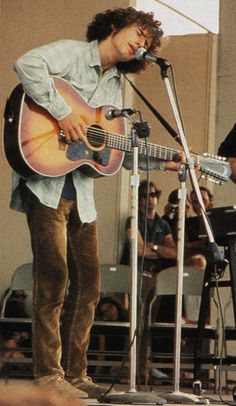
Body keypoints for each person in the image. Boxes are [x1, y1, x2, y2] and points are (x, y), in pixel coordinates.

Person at [10, 6, 185, 400]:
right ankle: (47, 375)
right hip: (46, 186)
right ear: (114, 26)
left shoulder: (118, 86)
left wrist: (165, 160)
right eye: (138, 33)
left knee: (89, 286)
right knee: (53, 278)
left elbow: (111, 147)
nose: (142, 43)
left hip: (80, 196)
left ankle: (76, 373)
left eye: (148, 41)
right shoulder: (71, 53)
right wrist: (62, 112)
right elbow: (27, 63)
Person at [121, 179, 177, 382]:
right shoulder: (133, 220)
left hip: (158, 277)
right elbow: (137, 249)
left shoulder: (163, 224)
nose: (149, 200)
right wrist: (157, 250)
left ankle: (142, 371)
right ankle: (131, 372)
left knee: (149, 326)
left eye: (153, 195)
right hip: (138, 274)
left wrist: (152, 248)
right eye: (145, 196)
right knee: (137, 324)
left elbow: (174, 253)